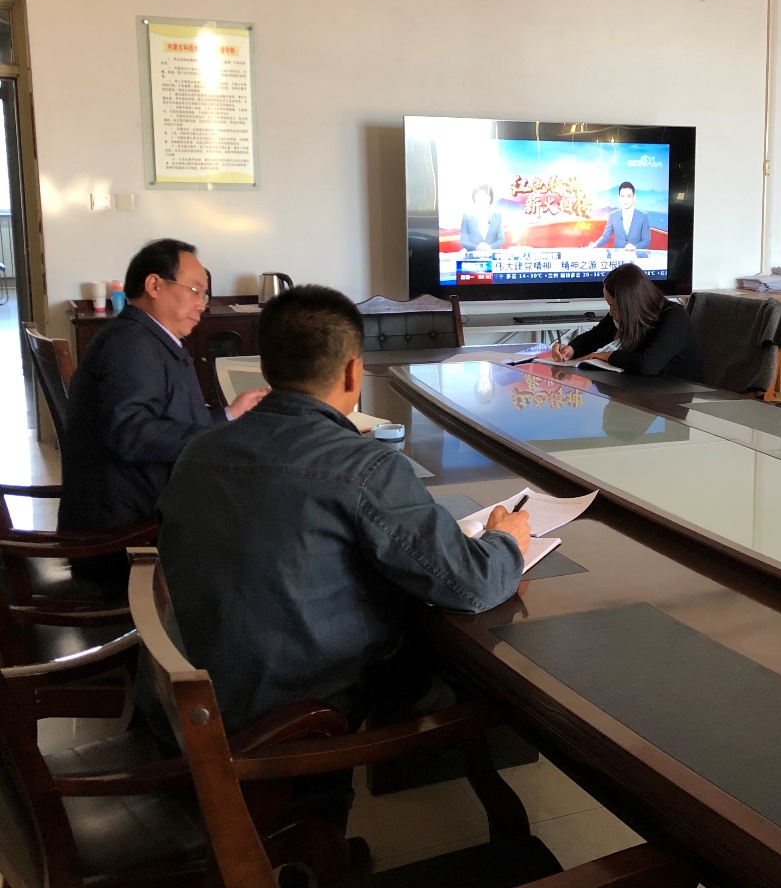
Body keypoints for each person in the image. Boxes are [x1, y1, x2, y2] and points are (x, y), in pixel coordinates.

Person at [154, 284, 529, 736]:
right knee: (476, 675)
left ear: (265, 368)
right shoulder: (365, 467)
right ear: (353, 371)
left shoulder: (199, 449)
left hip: (198, 703)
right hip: (292, 720)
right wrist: (506, 540)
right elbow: (473, 586)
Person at [58, 240, 267, 576]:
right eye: (195, 290)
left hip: (135, 514)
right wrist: (221, 431)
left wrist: (229, 415)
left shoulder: (143, 337)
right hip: (126, 537)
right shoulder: (131, 345)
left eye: (205, 295)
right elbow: (131, 433)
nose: (201, 305)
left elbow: (166, 419)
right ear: (154, 285)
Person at [548, 263, 703, 380]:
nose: (611, 312)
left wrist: (607, 356)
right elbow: (595, 337)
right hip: (644, 391)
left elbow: (647, 364)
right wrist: (572, 349)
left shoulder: (674, 317)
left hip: (677, 397)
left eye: (614, 307)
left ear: (631, 306)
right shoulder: (627, 316)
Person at [589, 181, 650, 252]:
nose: (625, 200)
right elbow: (605, 236)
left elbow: (646, 241)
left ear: (634, 197)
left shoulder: (643, 216)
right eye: (622, 196)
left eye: (629, 196)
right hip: (618, 256)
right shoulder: (613, 215)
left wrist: (635, 246)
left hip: (636, 256)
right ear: (619, 198)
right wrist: (596, 244)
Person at [458, 184, 505, 251]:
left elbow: (501, 239)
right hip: (473, 255)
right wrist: (476, 248)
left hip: (492, 255)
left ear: (490, 198)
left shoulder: (497, 216)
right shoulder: (467, 216)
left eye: (485, 196)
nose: (482, 199)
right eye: (479, 196)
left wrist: (490, 247)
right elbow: (463, 241)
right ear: (474, 198)